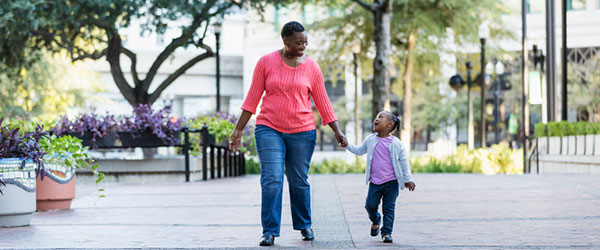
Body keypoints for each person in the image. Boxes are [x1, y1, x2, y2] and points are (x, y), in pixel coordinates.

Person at [228, 21, 347, 246]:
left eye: (305, 42)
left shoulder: (312, 67)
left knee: (298, 180)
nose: (303, 46)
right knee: (271, 179)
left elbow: (323, 102)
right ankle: (269, 231)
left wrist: (337, 131)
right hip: (269, 128)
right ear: (285, 41)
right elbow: (252, 99)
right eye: (298, 42)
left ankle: (304, 225)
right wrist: (238, 129)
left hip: (302, 131)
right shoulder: (266, 62)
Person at [343, 111, 415, 243]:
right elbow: (359, 151)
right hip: (375, 183)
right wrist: (347, 145)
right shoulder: (370, 139)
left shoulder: (396, 143)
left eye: (380, 117)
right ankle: (376, 219)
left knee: (389, 208)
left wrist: (408, 179)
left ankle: (386, 233)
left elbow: (404, 161)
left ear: (388, 125)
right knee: (370, 205)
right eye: (376, 117)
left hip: (392, 183)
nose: (376, 119)